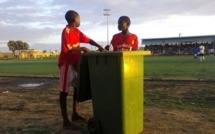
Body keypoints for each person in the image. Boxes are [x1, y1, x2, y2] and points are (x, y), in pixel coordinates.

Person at [58, 10, 104, 129]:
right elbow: (67, 49)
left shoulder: (77, 32)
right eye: (79, 18)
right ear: (74, 19)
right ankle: (65, 122)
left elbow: (88, 39)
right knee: (64, 92)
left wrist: (99, 46)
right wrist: (82, 48)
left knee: (77, 88)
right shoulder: (66, 31)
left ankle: (75, 114)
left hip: (75, 64)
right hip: (66, 64)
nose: (80, 20)